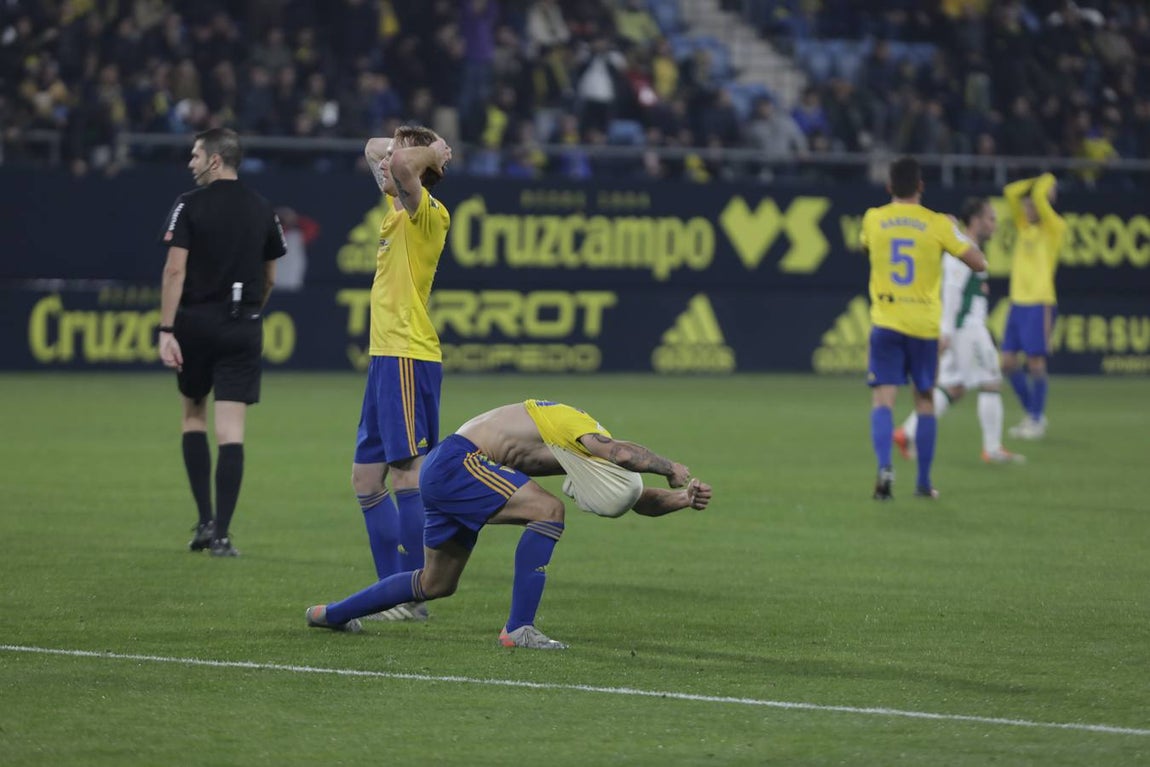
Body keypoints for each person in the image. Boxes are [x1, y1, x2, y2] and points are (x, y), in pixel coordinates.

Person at [306, 399, 714, 649]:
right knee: (548, 510)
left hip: (448, 469)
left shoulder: (575, 452)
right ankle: (518, 629)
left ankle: (331, 614)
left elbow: (632, 497)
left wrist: (681, 499)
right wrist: (670, 467)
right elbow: (624, 456)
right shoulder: (571, 423)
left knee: (435, 584)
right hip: (459, 462)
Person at [157, 128, 286, 556]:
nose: (190, 162)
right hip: (241, 325)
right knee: (231, 432)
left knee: (194, 415)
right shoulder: (263, 207)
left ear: (215, 160)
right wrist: (252, 312)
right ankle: (224, 536)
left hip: (195, 323)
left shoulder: (188, 205)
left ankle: (204, 522)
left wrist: (166, 330)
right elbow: (270, 277)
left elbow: (175, 272)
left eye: (195, 155)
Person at [353, 125, 452, 620]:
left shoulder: (426, 213)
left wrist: (430, 151)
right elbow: (373, 149)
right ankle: (389, 592)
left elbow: (400, 166)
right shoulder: (397, 212)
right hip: (385, 356)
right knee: (366, 479)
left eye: (401, 151)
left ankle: (414, 594)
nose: (388, 159)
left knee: (406, 473)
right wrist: (406, 145)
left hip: (407, 354)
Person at [860, 157, 987, 500]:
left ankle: (885, 468)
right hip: (924, 326)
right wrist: (955, 231)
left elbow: (865, 245)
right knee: (925, 400)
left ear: (889, 187)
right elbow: (979, 262)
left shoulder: (874, 218)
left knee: (882, 400)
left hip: (886, 321)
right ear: (921, 187)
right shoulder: (936, 224)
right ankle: (923, 482)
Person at [893, 198, 1025, 465]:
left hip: (961, 329)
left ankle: (906, 433)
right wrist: (946, 332)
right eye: (990, 218)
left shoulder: (967, 248)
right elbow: (952, 294)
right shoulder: (962, 250)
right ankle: (992, 448)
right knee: (991, 381)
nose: (994, 225)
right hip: (966, 330)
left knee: (954, 388)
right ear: (975, 221)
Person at [1000, 173, 1066, 440]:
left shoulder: (1054, 228)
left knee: (1036, 364)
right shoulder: (1023, 227)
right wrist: (1036, 181)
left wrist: (1048, 180)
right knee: (1006, 363)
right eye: (1026, 206)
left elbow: (1039, 195)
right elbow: (1009, 191)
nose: (1027, 208)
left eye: (1032, 205)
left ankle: (1036, 419)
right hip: (1017, 303)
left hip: (1040, 303)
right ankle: (1033, 413)